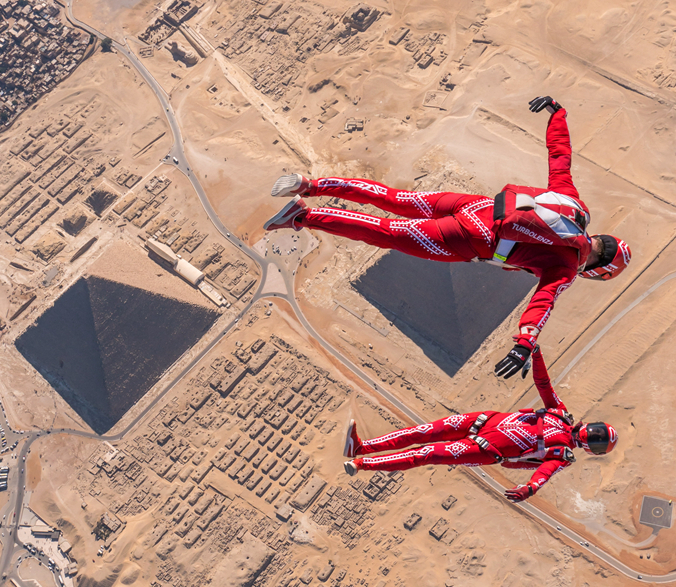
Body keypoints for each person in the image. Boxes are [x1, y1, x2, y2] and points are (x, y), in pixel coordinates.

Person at [263, 96, 631, 379]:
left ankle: (311, 185)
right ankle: (304, 216)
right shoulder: (568, 264)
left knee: (393, 199)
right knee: (387, 233)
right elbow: (544, 301)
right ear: (596, 270)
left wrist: (557, 113)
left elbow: (560, 158)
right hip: (468, 238)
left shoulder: (575, 208)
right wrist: (524, 343)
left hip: (474, 205)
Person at [341, 346, 617, 501]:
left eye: (596, 438)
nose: (591, 433)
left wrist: (530, 489)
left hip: (483, 449)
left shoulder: (561, 454)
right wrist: (536, 354)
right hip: (483, 419)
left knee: (426, 454)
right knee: (422, 432)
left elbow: (543, 473)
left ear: (591, 449)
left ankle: (361, 464)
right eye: (597, 429)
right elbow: (543, 383)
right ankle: (361, 448)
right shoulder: (560, 413)